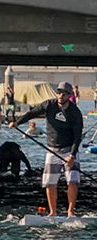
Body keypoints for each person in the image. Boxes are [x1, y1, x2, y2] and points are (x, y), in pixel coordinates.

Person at [13, 82, 83, 218]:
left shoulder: (75, 113)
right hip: (52, 150)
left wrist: (72, 156)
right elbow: (32, 113)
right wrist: (17, 122)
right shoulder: (49, 105)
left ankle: (70, 212)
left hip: (69, 150)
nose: (60, 96)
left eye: (64, 94)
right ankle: (53, 212)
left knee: (73, 181)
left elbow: (77, 137)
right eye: (59, 93)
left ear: (69, 96)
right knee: (50, 183)